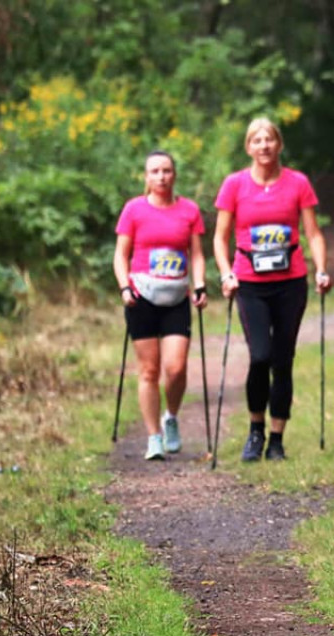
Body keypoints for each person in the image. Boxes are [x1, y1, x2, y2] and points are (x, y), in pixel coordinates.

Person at [213, 117, 332, 463]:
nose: (264, 146)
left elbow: (313, 233)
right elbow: (221, 237)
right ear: (248, 147)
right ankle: (255, 430)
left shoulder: (298, 183)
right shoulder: (234, 185)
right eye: (257, 140)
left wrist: (321, 268)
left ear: (279, 145)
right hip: (249, 283)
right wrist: (225, 273)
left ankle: (277, 439)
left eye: (270, 139)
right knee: (259, 356)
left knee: (283, 360)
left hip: (290, 283)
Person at [113, 150, 207, 461]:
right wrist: (125, 286)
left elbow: (196, 255)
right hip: (141, 296)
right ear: (146, 177)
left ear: (174, 175)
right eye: (154, 171)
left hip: (177, 297)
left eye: (166, 170)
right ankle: (153, 437)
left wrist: (201, 285)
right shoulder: (134, 210)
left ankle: (171, 417)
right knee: (149, 371)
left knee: (176, 367)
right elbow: (120, 255)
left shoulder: (189, 210)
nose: (161, 177)